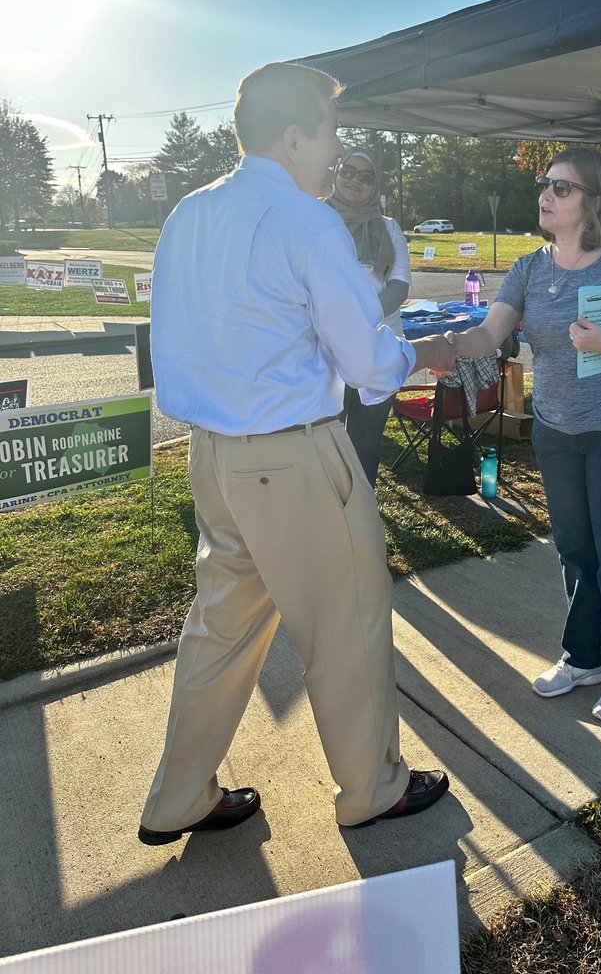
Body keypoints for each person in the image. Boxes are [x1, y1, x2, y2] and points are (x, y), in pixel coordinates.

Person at [139, 62, 454, 843]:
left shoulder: (188, 212)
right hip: (294, 456)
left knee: (219, 630)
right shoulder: (305, 218)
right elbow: (368, 361)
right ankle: (371, 787)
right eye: (331, 131)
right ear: (293, 137)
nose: (337, 149)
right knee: (346, 624)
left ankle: (179, 795)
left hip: (211, 453)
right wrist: (421, 355)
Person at [447, 148, 601, 723]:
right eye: (544, 184)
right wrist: (425, 350)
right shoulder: (528, 269)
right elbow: (488, 334)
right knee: (574, 548)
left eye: (562, 188)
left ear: (594, 202)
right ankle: (584, 658)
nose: (545, 194)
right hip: (554, 429)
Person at [326, 149, 410, 485]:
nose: (355, 180)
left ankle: (360, 523)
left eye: (366, 175)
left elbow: (399, 284)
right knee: (326, 441)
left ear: (376, 184)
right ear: (336, 172)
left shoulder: (388, 228)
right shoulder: (316, 219)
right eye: (348, 171)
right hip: (324, 351)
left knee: (365, 443)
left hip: (378, 347)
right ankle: (329, 521)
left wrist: (359, 320)